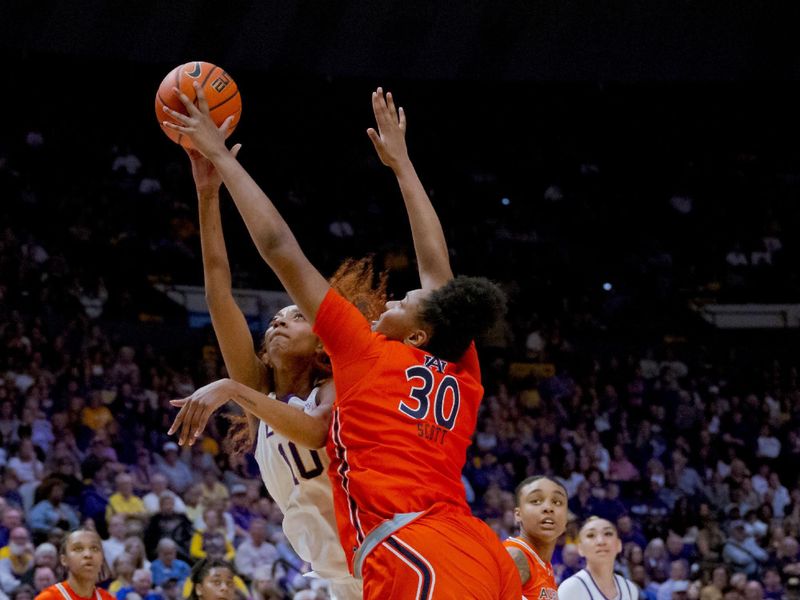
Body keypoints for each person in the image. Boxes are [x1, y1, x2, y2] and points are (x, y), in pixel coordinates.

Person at [163, 85, 519, 597]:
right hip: (423, 548)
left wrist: (221, 154)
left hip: (397, 548)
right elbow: (439, 273)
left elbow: (281, 249)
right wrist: (402, 166)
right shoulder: (458, 365)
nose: (388, 302)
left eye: (401, 302)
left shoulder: (362, 360)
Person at [166, 128, 376, 599]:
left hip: (378, 563)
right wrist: (206, 194)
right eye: (275, 319)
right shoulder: (259, 391)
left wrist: (237, 392)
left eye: (296, 316)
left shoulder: (337, 386)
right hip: (332, 576)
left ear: (322, 340)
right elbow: (218, 292)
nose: (279, 322)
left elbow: (319, 430)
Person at [504, 476, 568, 600]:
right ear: (518, 514)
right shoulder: (515, 555)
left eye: (557, 502)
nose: (548, 508)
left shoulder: (545, 565)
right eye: (536, 501)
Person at [558, 517, 639, 600]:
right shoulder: (570, 588)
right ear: (580, 549)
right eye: (591, 535)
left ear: (619, 544)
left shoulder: (630, 589)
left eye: (608, 534)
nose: (601, 541)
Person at [34, 528, 114, 600]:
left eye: (94, 548)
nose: (88, 554)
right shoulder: (48, 598)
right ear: (64, 560)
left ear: (102, 559)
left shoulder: (108, 598)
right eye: (78, 549)